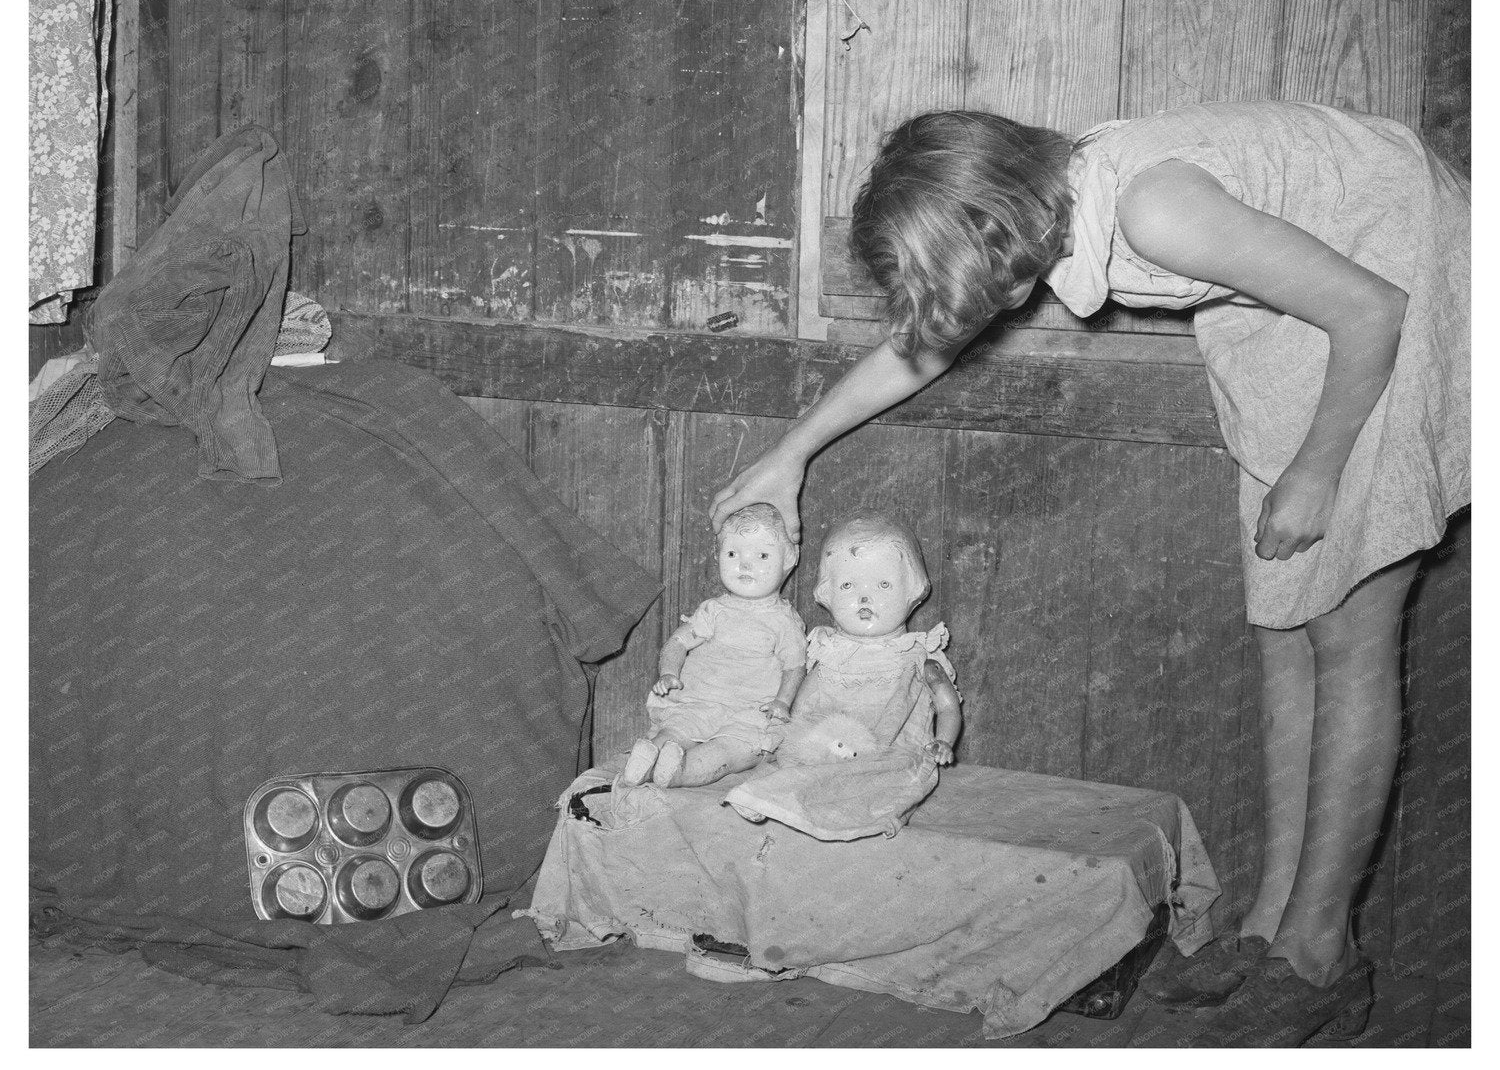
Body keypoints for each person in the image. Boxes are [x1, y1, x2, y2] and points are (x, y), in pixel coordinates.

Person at [710, 101, 1470, 1045]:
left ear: (1001, 231)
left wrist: (1318, 473)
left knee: (1350, 633)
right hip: (1305, 308)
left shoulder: (1156, 209)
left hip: (1397, 274)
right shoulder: (1051, 198)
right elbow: (923, 348)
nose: (975, 317)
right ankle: (1272, 926)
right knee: (1287, 630)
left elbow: (1374, 307)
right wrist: (792, 455)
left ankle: (1322, 954)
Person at [619, 502, 804, 789]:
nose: (744, 564)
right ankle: (646, 759)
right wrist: (669, 672)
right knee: (676, 731)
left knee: (731, 750)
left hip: (750, 711)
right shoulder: (714, 610)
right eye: (732, 553)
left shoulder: (784, 622)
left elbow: (794, 667)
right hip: (700, 701)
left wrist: (782, 702)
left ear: (789, 558)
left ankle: (681, 771)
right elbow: (679, 641)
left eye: (763, 555)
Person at [789, 511, 962, 765]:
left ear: (913, 588)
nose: (864, 598)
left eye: (883, 585)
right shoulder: (830, 656)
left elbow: (947, 707)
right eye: (848, 585)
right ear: (827, 592)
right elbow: (801, 711)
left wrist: (944, 741)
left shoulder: (918, 659)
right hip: (828, 760)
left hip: (898, 763)